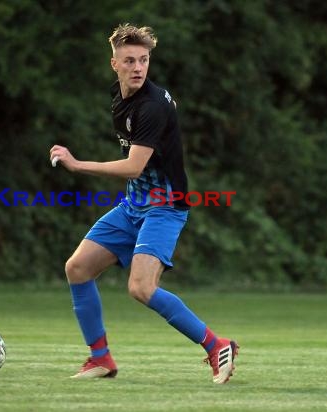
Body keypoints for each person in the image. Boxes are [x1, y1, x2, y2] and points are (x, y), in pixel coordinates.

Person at [49, 23, 238, 384]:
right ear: (114, 64)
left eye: (144, 60)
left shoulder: (151, 106)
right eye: (130, 60)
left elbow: (134, 166)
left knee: (141, 287)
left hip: (165, 206)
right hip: (134, 205)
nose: (138, 67)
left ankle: (217, 346)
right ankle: (100, 358)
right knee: (78, 268)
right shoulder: (121, 98)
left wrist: (77, 164)